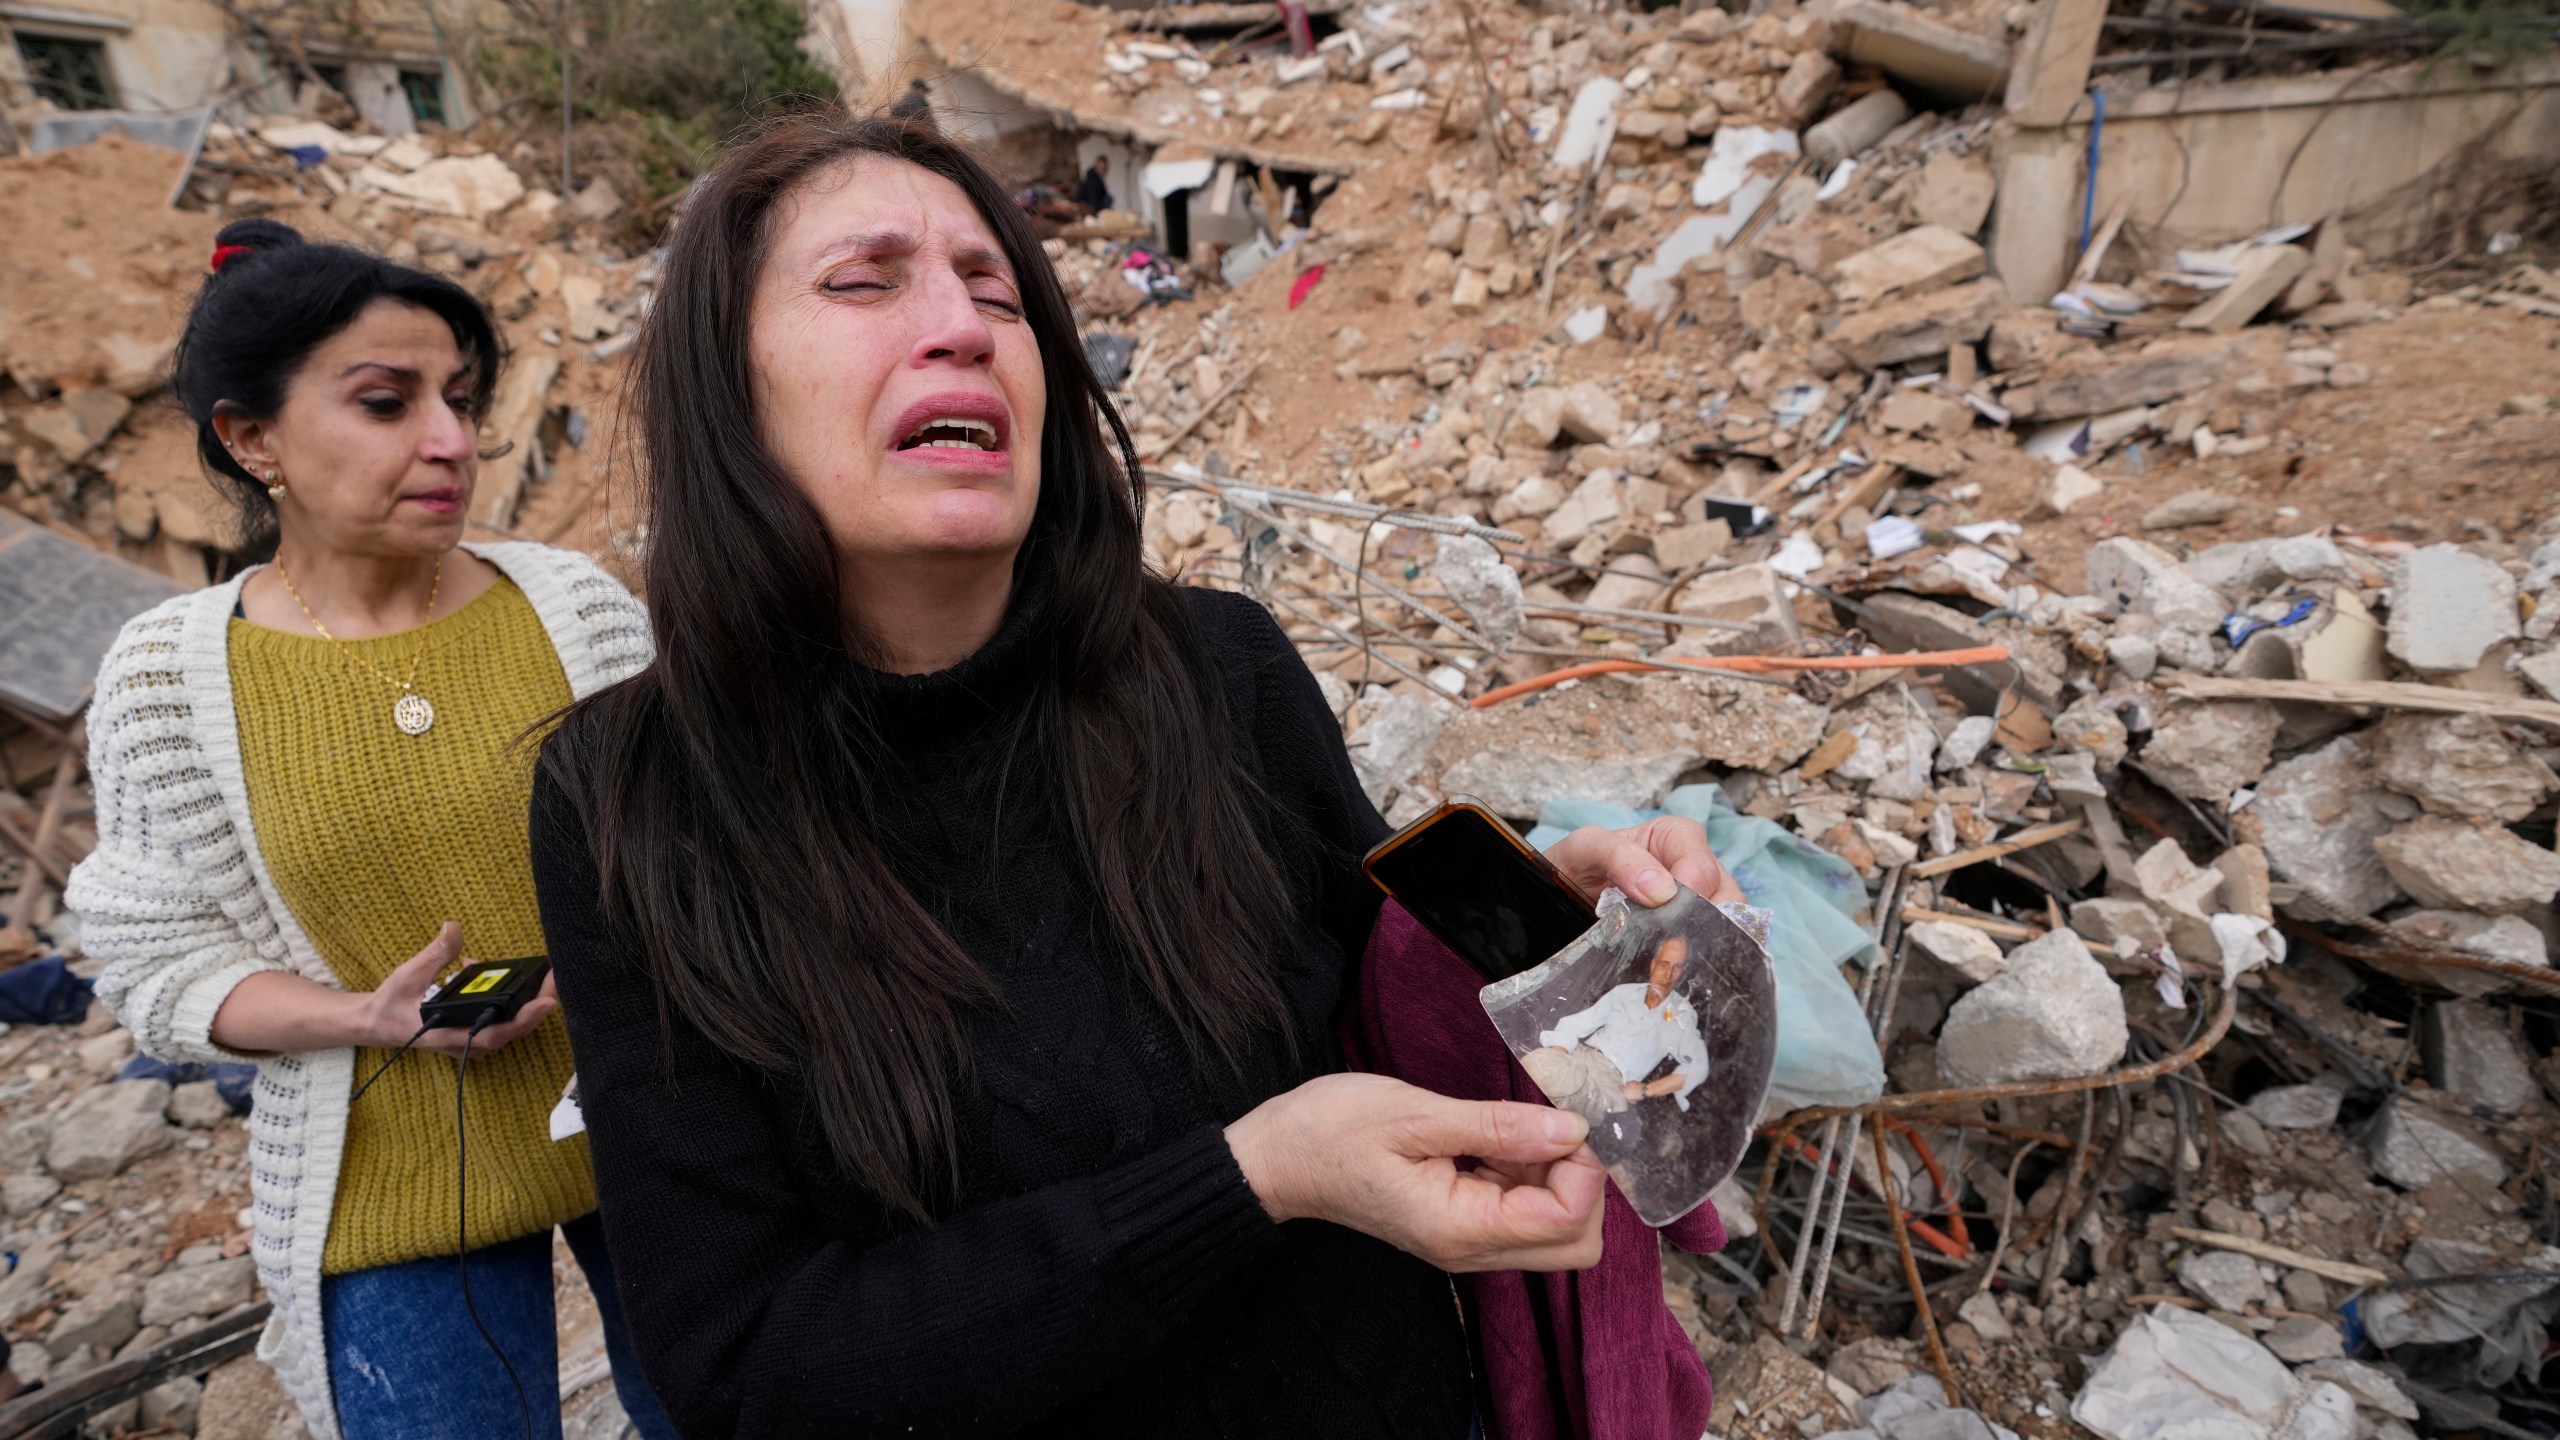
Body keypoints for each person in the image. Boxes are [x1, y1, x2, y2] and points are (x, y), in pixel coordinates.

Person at [529, 111, 1741, 1440]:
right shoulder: (630, 802)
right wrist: (1255, 1179)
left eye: (996, 288)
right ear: (728, 384)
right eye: (867, 281)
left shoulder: (1217, 663)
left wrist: (1557, 908)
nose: (962, 325)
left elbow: (1390, 972)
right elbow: (750, 1363)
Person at [65, 220, 675, 1440]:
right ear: (250, 438)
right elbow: (153, 962)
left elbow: (705, 850)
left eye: (459, 398)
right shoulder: (168, 680)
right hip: (386, 1176)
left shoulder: (578, 611)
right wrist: (365, 1019)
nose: (450, 440)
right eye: (387, 403)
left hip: (658, 1131)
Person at [1529, 935, 1710, 1115]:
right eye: (1664, 965)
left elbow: (1699, 1066)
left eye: (1677, 968)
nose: (1668, 975)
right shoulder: (1624, 993)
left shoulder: (1681, 1014)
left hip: (1609, 1085)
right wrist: (1558, 1057)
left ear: (1683, 970)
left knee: (1554, 1105)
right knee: (1533, 1066)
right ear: (1653, 965)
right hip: (1580, 1058)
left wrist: (1646, 1089)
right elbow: (1576, 1024)